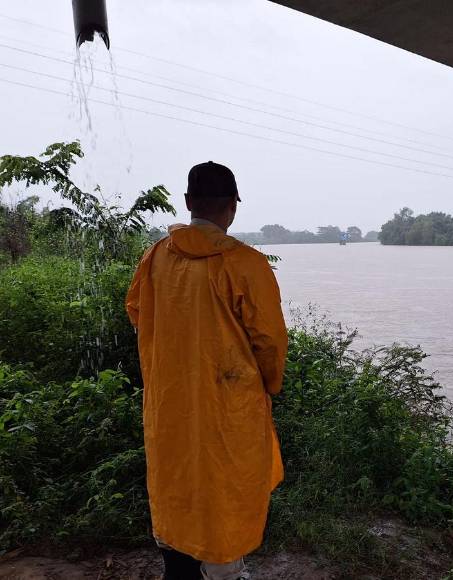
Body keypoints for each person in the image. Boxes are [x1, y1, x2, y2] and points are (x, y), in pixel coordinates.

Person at [126, 161, 288, 580]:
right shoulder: (245, 264)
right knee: (225, 489)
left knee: (176, 479)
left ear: (187, 203)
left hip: (170, 401)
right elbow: (269, 341)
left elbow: (137, 313)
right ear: (232, 207)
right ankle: (222, 571)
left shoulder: (156, 257)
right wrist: (270, 384)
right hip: (229, 408)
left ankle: (177, 567)